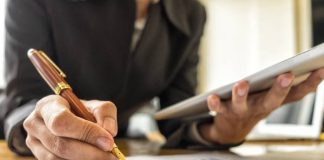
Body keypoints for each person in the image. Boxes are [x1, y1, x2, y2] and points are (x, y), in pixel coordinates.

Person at [1, 0, 323, 159]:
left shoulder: (191, 14)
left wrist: (224, 129)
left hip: (113, 144)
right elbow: (18, 100)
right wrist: (41, 121)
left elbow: (176, 114)